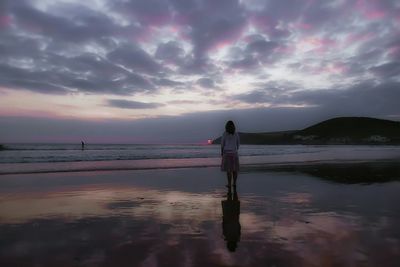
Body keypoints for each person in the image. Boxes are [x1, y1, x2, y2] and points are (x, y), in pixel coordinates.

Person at [220, 120, 240, 188]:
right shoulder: (236, 134)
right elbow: (238, 144)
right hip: (234, 153)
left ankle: (229, 184)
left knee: (229, 170)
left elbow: (222, 144)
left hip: (227, 153)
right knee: (235, 170)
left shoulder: (224, 134)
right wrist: (235, 149)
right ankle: (234, 183)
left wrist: (222, 153)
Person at [222, 186, 241, 252]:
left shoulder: (236, 237)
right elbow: (239, 227)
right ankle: (232, 187)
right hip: (231, 218)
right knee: (231, 199)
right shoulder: (227, 236)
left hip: (232, 218)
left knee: (232, 199)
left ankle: (231, 188)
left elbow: (239, 227)